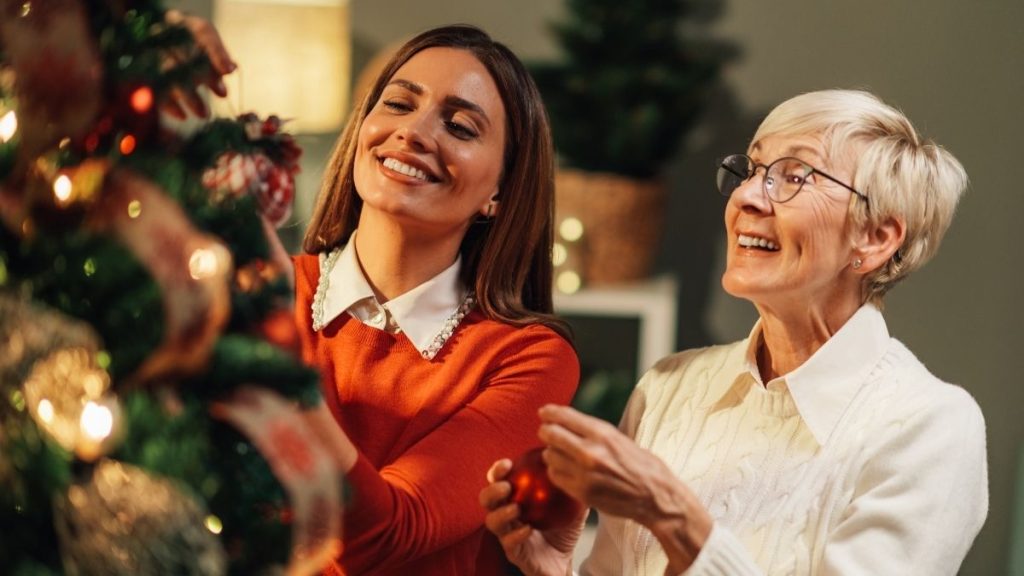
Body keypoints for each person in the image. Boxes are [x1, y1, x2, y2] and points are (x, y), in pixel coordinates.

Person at [481, 89, 987, 575]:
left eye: (794, 176)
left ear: (875, 238)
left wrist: (675, 516)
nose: (746, 196)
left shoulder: (932, 428)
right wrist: (555, 571)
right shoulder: (667, 388)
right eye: (751, 170)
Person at [290, 25, 579, 575]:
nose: (413, 132)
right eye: (397, 103)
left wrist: (271, 365)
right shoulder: (257, 291)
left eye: (460, 126)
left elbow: (388, 533)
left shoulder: (528, 357)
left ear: (499, 192)